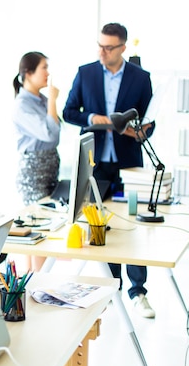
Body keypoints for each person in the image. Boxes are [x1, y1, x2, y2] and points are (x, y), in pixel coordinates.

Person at [63, 22, 156, 318]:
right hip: (96, 164)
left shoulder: (141, 78)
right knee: (101, 224)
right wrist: (97, 118)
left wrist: (140, 132)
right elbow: (69, 112)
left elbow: (150, 122)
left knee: (132, 224)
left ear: (123, 48)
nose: (102, 51)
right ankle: (110, 288)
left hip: (128, 162)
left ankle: (138, 292)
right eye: (100, 45)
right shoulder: (85, 72)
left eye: (109, 47)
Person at [11, 51, 60, 272]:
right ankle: (39, 286)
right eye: (44, 68)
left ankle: (33, 285)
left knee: (40, 231)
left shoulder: (39, 100)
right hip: (33, 173)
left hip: (48, 169)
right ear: (28, 73)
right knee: (39, 232)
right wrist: (52, 101)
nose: (48, 73)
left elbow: (56, 132)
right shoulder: (22, 104)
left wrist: (49, 102)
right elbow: (50, 134)